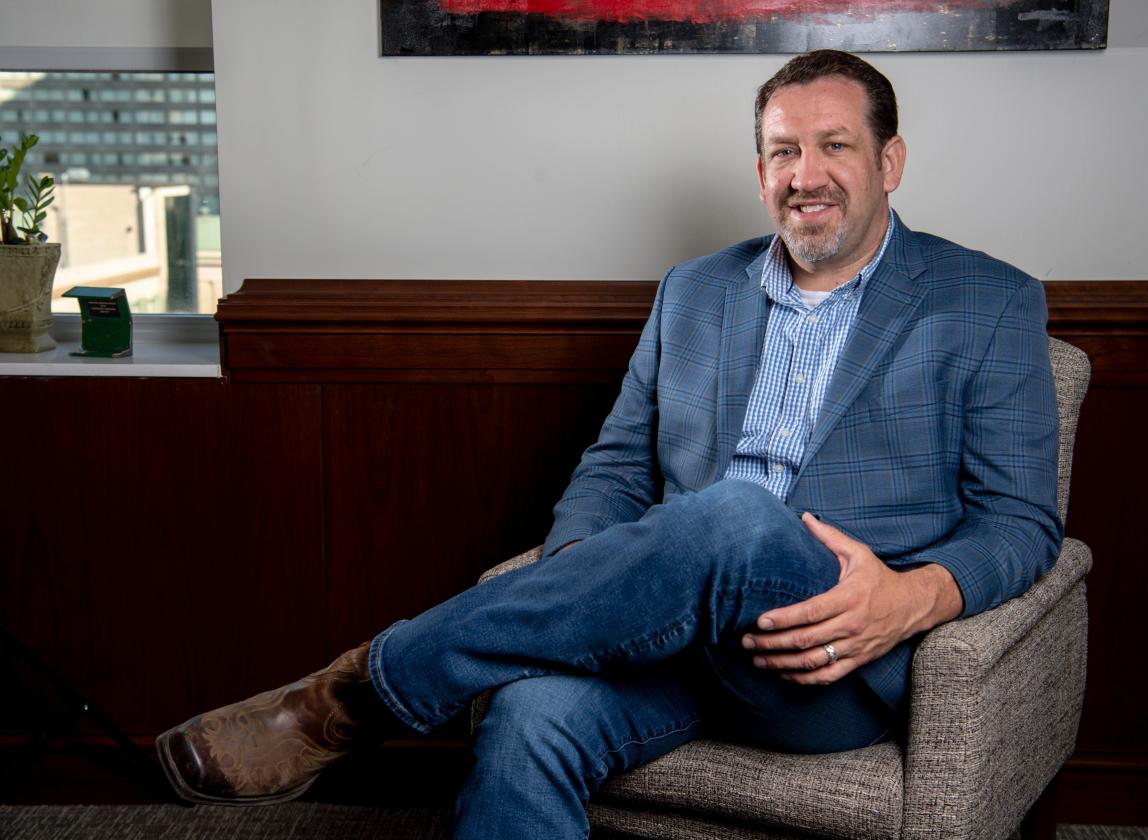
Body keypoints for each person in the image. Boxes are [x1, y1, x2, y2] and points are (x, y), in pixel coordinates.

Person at [156, 50, 1061, 838]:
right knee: (528, 717)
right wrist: (594, 591)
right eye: (784, 150)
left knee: (739, 516)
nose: (806, 173)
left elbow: (1021, 521)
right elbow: (618, 465)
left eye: (835, 146)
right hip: (663, 634)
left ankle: (353, 696)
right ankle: (378, 694)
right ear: (759, 172)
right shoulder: (694, 292)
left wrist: (910, 599)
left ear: (889, 161)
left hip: (827, 662)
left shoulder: (986, 301)